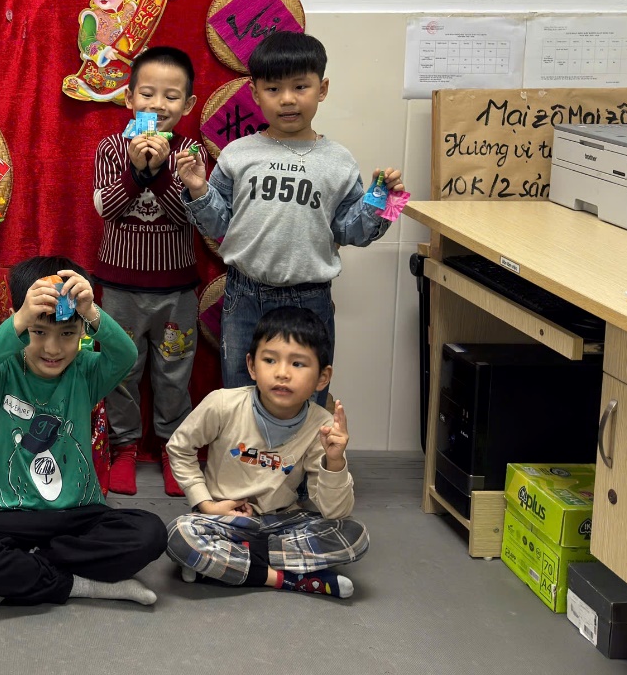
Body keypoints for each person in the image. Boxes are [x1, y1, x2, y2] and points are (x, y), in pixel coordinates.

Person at [177, 31, 402, 397]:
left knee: (305, 401)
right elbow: (219, 225)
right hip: (244, 296)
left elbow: (352, 232)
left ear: (322, 89)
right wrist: (199, 189)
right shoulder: (237, 153)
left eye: (300, 86)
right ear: (255, 93)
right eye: (273, 89)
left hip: (310, 300)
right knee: (239, 400)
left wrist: (387, 201)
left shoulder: (339, 160)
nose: (287, 99)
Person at [0, 257, 168, 608]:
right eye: (38, 332)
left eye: (67, 334)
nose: (52, 349)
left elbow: (126, 355)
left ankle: (27, 572)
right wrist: (22, 317)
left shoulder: (86, 372)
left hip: (79, 514)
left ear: (82, 330)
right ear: (21, 324)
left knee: (151, 533)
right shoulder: (3, 373)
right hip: (9, 515)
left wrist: (91, 310)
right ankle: (83, 583)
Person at [165, 307, 369, 599]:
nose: (282, 373)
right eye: (270, 360)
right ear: (251, 365)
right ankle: (288, 579)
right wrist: (206, 504)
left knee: (355, 536)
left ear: (322, 378)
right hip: (223, 520)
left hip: (282, 522)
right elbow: (179, 448)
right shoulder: (222, 404)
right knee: (179, 534)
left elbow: (334, 512)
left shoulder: (321, 425)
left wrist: (334, 461)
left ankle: (226, 565)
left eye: (298, 364)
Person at [92, 45, 204, 498]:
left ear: (188, 105)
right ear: (129, 98)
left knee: (175, 373)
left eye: (171, 97)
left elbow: (188, 216)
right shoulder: (110, 148)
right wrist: (137, 172)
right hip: (120, 287)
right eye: (147, 94)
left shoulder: (190, 153)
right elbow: (105, 208)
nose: (158, 105)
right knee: (122, 370)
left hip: (176, 289)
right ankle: (124, 448)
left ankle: (175, 450)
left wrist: (158, 171)